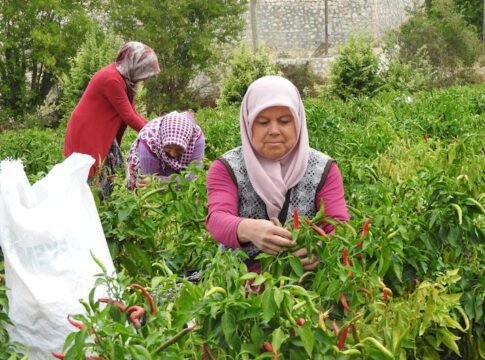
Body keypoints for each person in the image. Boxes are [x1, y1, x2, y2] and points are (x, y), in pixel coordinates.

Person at [206, 75, 350, 273]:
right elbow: (216, 219)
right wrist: (248, 229)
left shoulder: (323, 168)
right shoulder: (227, 167)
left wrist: (320, 249)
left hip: (304, 282)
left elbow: (338, 226)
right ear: (249, 125)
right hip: (239, 283)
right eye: (263, 122)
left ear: (298, 123)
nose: (274, 131)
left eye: (284, 121)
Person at [63, 41, 160, 196]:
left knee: (112, 175)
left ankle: (106, 209)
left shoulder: (127, 80)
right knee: (92, 180)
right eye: (144, 72)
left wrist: (158, 128)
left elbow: (133, 113)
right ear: (135, 65)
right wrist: (158, 136)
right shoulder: (112, 79)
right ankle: (96, 213)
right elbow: (128, 117)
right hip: (89, 132)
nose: (145, 78)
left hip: (101, 132)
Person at [126, 111, 205, 190]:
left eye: (179, 149)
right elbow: (151, 185)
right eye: (169, 147)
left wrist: (159, 181)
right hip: (152, 154)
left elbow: (194, 177)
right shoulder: (149, 142)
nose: (173, 154)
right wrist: (154, 181)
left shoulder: (195, 138)